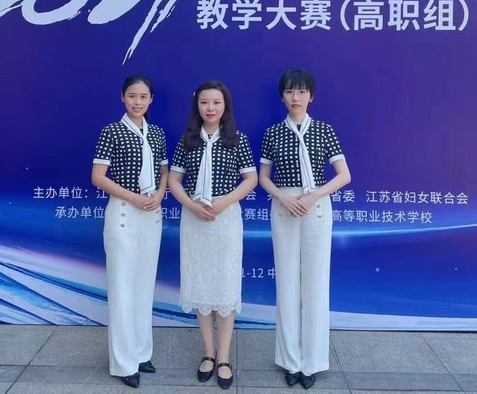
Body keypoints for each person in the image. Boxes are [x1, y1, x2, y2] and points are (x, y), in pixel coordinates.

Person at [258, 68, 352, 389]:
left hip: (316, 207)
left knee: (315, 284)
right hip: (284, 207)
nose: (295, 98)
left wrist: (313, 196)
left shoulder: (324, 131)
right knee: (286, 283)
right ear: (282, 97)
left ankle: (312, 362)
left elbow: (344, 175)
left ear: (311, 96)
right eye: (289, 92)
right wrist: (284, 197)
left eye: (301, 92)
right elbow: (263, 177)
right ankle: (290, 361)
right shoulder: (273, 133)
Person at [168, 80, 257, 390]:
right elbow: (174, 180)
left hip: (226, 218)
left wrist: (224, 202)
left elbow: (250, 179)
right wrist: (191, 205)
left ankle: (224, 357)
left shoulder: (237, 139)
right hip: (194, 219)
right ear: (197, 106)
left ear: (225, 106)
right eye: (205, 102)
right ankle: (208, 353)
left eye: (216, 103)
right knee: (200, 285)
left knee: (225, 286)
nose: (210, 108)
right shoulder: (187, 140)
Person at [91, 75, 168, 388]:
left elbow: (164, 170)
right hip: (124, 212)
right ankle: (124, 363)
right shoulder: (111, 131)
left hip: (152, 214)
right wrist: (134, 197)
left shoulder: (157, 133)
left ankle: (141, 352)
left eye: (144, 96)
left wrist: (160, 194)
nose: (138, 102)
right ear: (123, 97)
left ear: (151, 100)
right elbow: (98, 176)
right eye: (132, 96)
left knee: (144, 286)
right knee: (122, 288)